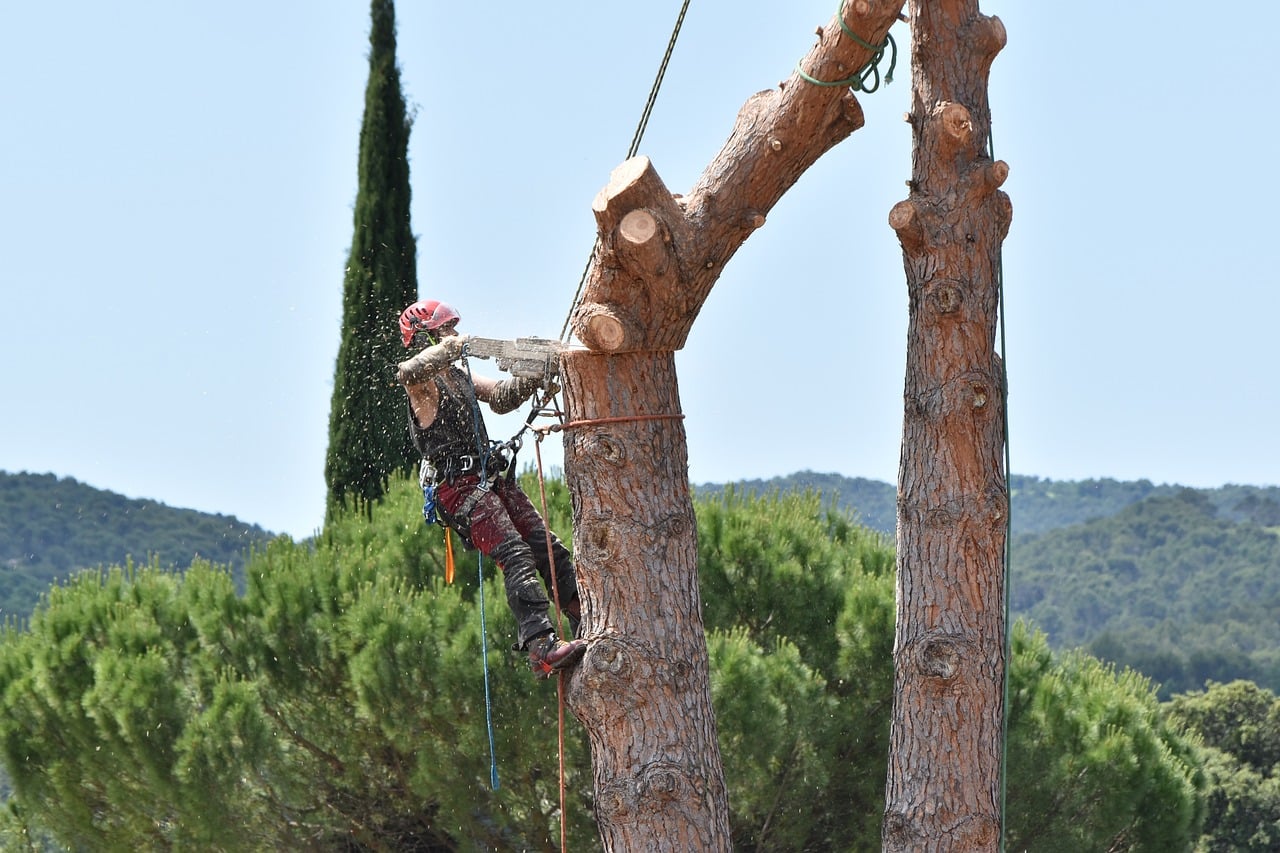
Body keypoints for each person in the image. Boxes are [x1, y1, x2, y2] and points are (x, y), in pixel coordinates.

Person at [396, 298, 586, 679]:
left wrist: (537, 373)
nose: (452, 336)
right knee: (515, 554)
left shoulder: (457, 375)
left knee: (545, 546)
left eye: (452, 330)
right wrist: (451, 346)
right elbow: (407, 372)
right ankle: (540, 647)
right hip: (458, 488)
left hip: (488, 477)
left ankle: (584, 613)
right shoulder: (421, 385)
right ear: (424, 338)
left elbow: (501, 397)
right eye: (444, 330)